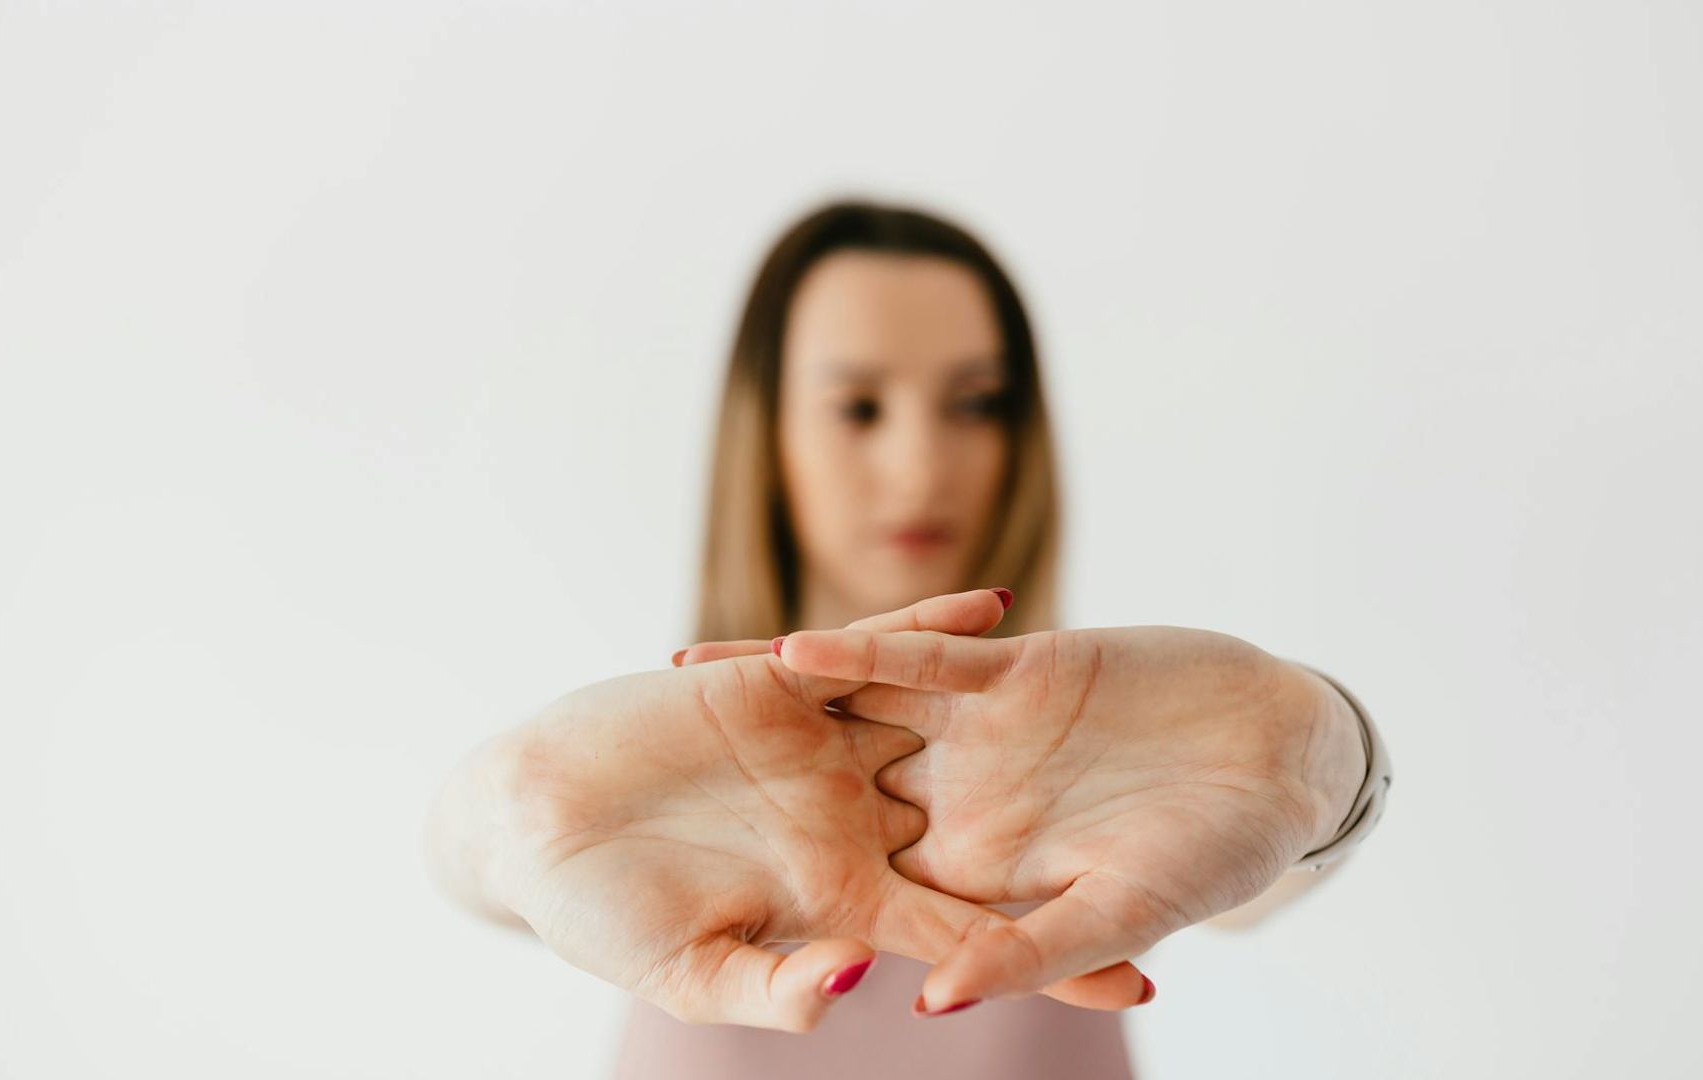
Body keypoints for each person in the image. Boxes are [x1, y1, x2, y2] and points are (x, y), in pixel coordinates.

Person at [426, 201, 1391, 1079]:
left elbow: (1256, 875)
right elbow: (479, 870)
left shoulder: (1101, 758)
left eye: (976, 403)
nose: (922, 463)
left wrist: (1321, 748)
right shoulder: (651, 763)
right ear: (767, 435)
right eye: (859, 408)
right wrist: (508, 805)